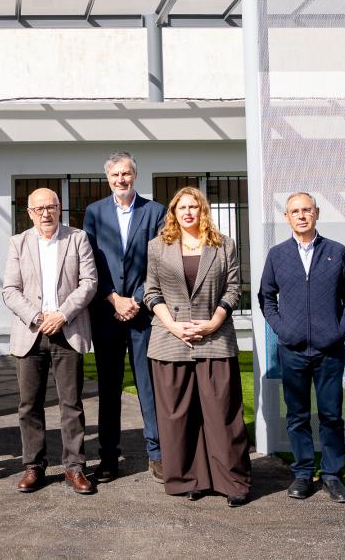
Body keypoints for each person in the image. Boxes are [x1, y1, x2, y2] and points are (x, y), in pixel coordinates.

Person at [144, 187, 251, 506]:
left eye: (194, 206)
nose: (188, 212)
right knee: (179, 415)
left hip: (214, 339)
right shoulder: (157, 247)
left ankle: (233, 482)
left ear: (202, 211)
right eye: (182, 207)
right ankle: (190, 478)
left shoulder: (223, 245)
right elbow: (151, 292)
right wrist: (174, 326)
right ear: (174, 213)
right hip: (169, 339)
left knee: (222, 414)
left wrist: (213, 322)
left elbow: (234, 288)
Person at [259, 191, 345, 504]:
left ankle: (332, 475)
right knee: (298, 415)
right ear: (287, 217)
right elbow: (266, 297)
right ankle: (303, 473)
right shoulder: (278, 255)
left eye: (307, 210)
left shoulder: (336, 251)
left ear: (316, 213)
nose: (301, 215)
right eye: (295, 211)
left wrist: (339, 331)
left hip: (329, 351)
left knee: (331, 415)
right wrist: (282, 329)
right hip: (292, 351)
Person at [1, 188, 98, 495]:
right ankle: (33, 466)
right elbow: (10, 290)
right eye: (39, 209)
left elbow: (89, 283)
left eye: (51, 207)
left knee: (71, 404)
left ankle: (74, 467)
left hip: (67, 331)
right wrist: (38, 317)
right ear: (29, 213)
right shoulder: (18, 243)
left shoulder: (78, 238)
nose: (45, 213)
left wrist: (63, 314)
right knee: (29, 405)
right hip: (31, 334)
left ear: (60, 209)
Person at [82, 151, 166, 483]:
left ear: (135, 176)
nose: (121, 179)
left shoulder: (155, 212)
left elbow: (159, 262)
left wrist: (136, 298)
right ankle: (107, 456)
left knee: (148, 387)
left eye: (127, 173)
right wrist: (113, 298)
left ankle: (157, 454)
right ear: (108, 179)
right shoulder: (94, 213)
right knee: (109, 389)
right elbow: (89, 262)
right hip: (106, 314)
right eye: (116, 174)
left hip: (143, 315)